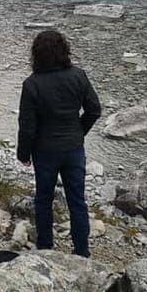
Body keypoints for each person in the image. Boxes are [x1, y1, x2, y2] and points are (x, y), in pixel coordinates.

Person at [17, 30, 101, 258]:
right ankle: (82, 253)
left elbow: (27, 125)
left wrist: (23, 153)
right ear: (65, 51)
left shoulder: (31, 84)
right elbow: (94, 110)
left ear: (36, 55)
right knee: (77, 201)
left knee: (43, 199)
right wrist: (79, 131)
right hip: (73, 148)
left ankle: (45, 249)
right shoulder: (79, 76)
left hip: (44, 151)